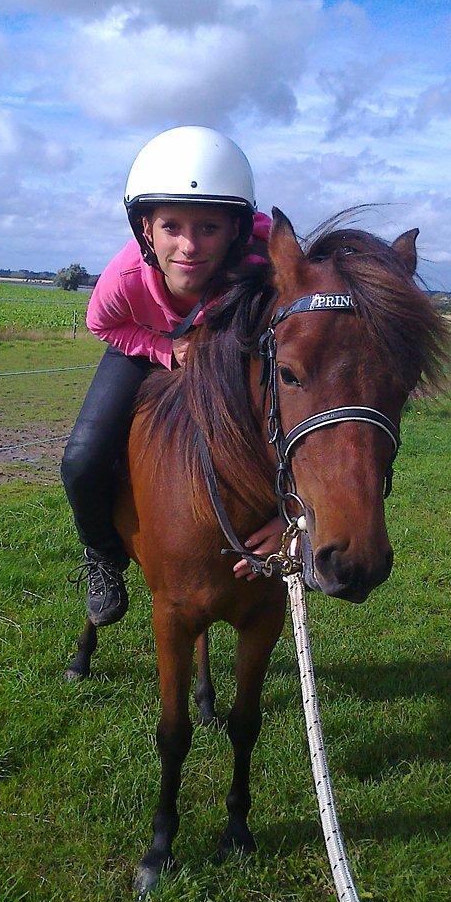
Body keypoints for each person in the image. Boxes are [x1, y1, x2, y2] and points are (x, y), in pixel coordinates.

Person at [60, 126, 285, 631]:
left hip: (227, 351)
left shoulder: (267, 262)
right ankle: (102, 556)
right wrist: (164, 349)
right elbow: (103, 324)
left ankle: (292, 523)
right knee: (82, 457)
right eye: (172, 226)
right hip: (145, 343)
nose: (188, 246)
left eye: (208, 227)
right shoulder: (122, 280)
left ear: (236, 229)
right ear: (145, 229)